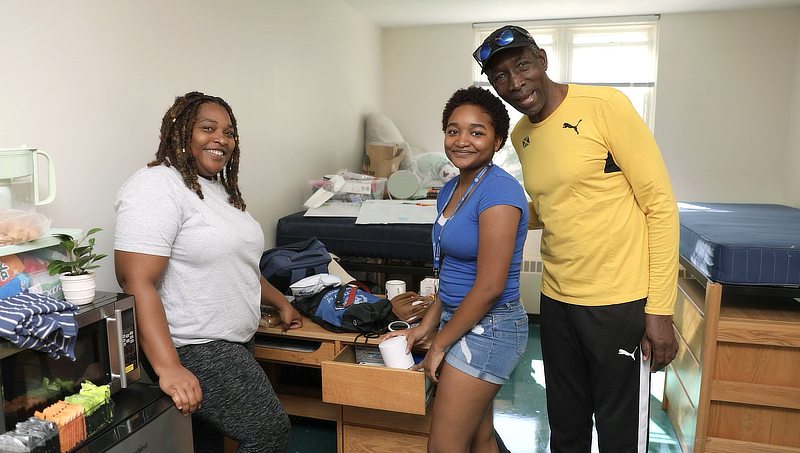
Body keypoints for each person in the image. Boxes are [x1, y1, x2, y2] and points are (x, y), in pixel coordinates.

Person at [473, 25, 680, 453]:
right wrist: (484, 213)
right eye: (500, 77)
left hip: (617, 301)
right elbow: (550, 205)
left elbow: (660, 206)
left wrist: (660, 310)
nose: (515, 83)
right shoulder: (521, 135)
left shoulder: (605, 106)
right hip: (556, 300)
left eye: (522, 66)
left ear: (543, 59)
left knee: (620, 434)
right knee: (566, 427)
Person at [114, 91, 302, 453]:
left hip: (233, 341)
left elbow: (236, 264)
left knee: (205, 444)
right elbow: (135, 280)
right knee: (269, 432)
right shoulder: (155, 186)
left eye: (228, 132)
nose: (221, 139)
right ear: (180, 131)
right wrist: (169, 367)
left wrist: (281, 302)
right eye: (208, 128)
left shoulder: (216, 189)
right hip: (194, 346)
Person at [384, 86, 529, 453]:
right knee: (480, 438)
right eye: (453, 130)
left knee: (443, 447)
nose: (462, 140)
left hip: (490, 328)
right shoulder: (450, 190)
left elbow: (489, 287)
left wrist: (439, 345)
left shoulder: (500, 193)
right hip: (460, 319)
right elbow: (450, 275)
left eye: (477, 132)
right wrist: (423, 328)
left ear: (498, 140)